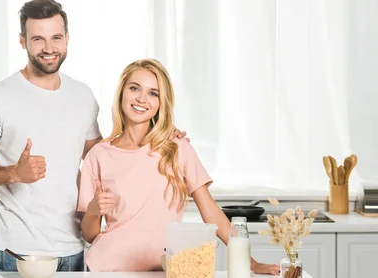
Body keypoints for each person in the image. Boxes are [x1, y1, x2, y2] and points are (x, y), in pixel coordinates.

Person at [0, 0, 188, 272]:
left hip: (75, 250)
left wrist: (161, 135)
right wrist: (13, 173)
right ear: (22, 41)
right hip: (18, 252)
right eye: (38, 39)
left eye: (56, 38)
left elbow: (105, 158)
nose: (49, 48)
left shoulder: (82, 96)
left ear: (67, 39)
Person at [77, 58, 281, 275]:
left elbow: (211, 213)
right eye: (134, 88)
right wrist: (92, 211)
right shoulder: (98, 155)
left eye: (153, 93)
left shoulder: (177, 148)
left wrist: (250, 262)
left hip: (165, 270)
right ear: (121, 93)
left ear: (160, 103)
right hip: (109, 269)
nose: (141, 99)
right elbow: (90, 234)